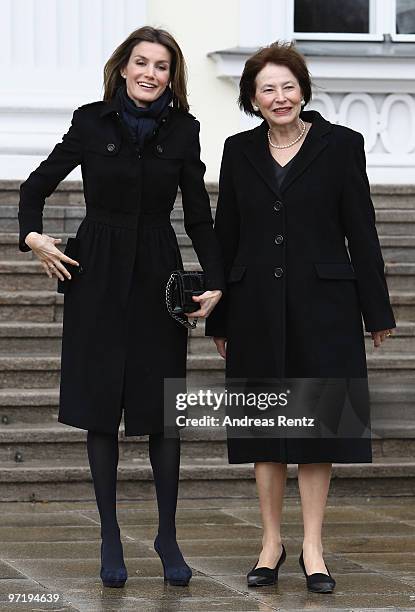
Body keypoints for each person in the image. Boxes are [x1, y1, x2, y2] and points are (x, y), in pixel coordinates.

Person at [18, 26, 223, 588]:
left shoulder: (184, 131)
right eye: (141, 62)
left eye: (161, 66)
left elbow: (199, 214)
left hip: (159, 268)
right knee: (101, 404)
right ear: (123, 67)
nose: (149, 73)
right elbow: (34, 188)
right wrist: (34, 238)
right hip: (98, 271)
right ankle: (109, 533)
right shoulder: (91, 121)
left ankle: (167, 535)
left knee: (163, 409)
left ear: (170, 76)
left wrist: (220, 279)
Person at [205, 41, 395, 594]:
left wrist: (375, 309)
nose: (280, 96)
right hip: (256, 308)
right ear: (252, 99)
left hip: (325, 307)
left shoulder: (341, 146)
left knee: (317, 428)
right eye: (267, 88)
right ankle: (271, 543)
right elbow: (226, 235)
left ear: (304, 91)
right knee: (266, 428)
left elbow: (361, 229)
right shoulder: (238, 151)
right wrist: (221, 317)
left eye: (288, 86)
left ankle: (313, 546)